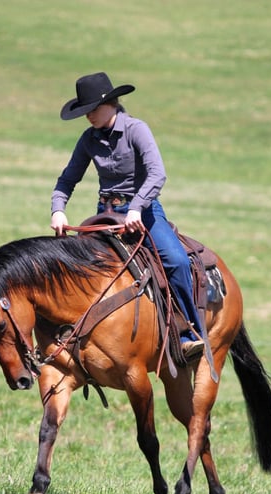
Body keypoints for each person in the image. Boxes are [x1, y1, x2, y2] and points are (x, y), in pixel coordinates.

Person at [50, 71, 204, 358]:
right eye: (85, 112)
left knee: (177, 261)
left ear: (111, 104)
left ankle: (188, 333)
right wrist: (58, 210)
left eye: (93, 109)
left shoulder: (136, 129)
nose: (89, 116)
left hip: (143, 213)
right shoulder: (88, 139)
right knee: (76, 267)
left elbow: (157, 174)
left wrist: (136, 206)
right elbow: (67, 179)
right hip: (105, 215)